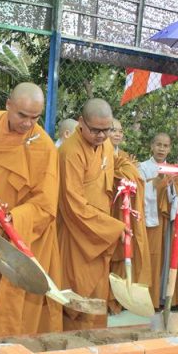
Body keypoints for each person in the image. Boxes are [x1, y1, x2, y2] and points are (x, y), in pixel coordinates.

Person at [0, 82, 62, 338]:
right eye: (22, 115)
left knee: (10, 294)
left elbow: (46, 203)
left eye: (35, 117)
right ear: (8, 105)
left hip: (18, 230)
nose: (27, 123)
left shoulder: (44, 146)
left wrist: (15, 217)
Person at [57, 99, 124, 330]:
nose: (101, 136)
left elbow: (111, 174)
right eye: (95, 130)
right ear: (81, 122)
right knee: (76, 291)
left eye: (107, 130)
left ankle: (96, 339)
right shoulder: (70, 152)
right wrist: (112, 228)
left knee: (97, 290)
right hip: (77, 232)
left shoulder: (106, 146)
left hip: (100, 234)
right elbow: (73, 204)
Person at [108, 119, 152, 313]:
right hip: (105, 211)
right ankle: (106, 298)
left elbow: (136, 179)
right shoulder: (97, 154)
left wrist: (125, 172)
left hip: (122, 210)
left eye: (120, 131)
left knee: (122, 252)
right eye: (113, 130)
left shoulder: (125, 158)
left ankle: (118, 301)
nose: (117, 134)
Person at [138, 133, 178, 308]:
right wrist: (155, 183)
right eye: (158, 145)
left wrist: (171, 187)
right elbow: (139, 192)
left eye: (165, 145)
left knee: (167, 257)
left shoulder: (174, 170)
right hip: (149, 220)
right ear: (151, 146)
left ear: (170, 149)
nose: (161, 149)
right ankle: (148, 300)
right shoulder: (142, 167)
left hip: (167, 221)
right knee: (150, 258)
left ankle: (163, 298)